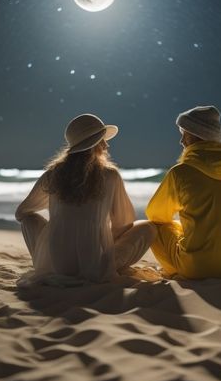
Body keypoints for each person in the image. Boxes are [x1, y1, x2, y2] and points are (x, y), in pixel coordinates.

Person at [15, 113, 157, 286]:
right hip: (96, 265)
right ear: (94, 144)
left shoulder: (52, 175)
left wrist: (59, 221)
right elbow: (123, 223)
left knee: (28, 219)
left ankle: (45, 260)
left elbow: (21, 212)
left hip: (56, 262)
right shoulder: (110, 176)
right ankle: (106, 261)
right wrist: (101, 240)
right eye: (102, 139)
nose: (106, 144)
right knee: (148, 227)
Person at [146, 105, 221, 280]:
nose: (181, 142)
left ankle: (175, 269)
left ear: (195, 135)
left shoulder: (180, 172)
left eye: (183, 135)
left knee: (155, 226)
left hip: (195, 269)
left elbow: (156, 215)